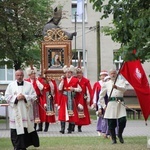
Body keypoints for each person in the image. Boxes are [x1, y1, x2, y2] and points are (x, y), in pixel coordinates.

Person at [5, 69, 39, 150]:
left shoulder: (29, 85)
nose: (19, 77)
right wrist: (16, 98)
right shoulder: (11, 85)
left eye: (21, 75)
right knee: (15, 130)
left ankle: (24, 146)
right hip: (15, 112)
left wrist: (25, 97)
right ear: (15, 76)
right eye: (18, 75)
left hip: (25, 112)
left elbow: (34, 96)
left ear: (23, 76)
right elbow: (7, 97)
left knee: (25, 129)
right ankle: (16, 146)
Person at [98, 69, 127, 144]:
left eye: (114, 73)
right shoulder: (106, 84)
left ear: (116, 74)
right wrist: (104, 106)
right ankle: (113, 138)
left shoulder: (121, 82)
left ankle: (120, 134)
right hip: (111, 104)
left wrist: (117, 87)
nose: (113, 75)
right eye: (111, 73)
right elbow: (101, 96)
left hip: (120, 103)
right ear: (109, 75)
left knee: (123, 120)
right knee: (111, 123)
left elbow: (124, 89)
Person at [58, 65, 82, 134]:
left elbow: (80, 89)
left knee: (71, 114)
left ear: (71, 73)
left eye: (69, 73)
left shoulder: (75, 80)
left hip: (71, 98)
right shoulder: (64, 80)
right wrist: (62, 80)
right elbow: (60, 88)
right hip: (64, 98)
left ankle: (70, 129)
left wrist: (74, 89)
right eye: (67, 73)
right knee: (63, 113)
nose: (68, 74)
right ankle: (62, 129)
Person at [74, 66, 93, 132]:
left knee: (81, 113)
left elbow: (89, 90)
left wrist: (89, 100)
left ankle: (79, 127)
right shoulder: (73, 79)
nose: (79, 74)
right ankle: (72, 126)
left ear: (82, 73)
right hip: (74, 98)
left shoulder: (86, 81)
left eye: (80, 73)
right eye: (77, 73)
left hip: (82, 99)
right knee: (74, 113)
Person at [25, 66, 44, 131]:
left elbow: (41, 88)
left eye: (34, 74)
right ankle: (32, 127)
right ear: (29, 75)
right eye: (32, 74)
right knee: (31, 113)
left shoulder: (38, 81)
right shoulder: (26, 81)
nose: (33, 75)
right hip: (29, 99)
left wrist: (37, 81)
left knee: (38, 113)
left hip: (37, 99)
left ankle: (40, 126)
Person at [92, 70, 108, 136]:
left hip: (106, 101)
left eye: (105, 75)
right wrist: (94, 102)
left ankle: (105, 130)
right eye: (102, 75)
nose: (103, 77)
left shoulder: (108, 83)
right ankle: (99, 129)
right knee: (99, 115)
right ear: (100, 77)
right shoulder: (97, 84)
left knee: (106, 116)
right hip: (99, 101)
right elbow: (95, 93)